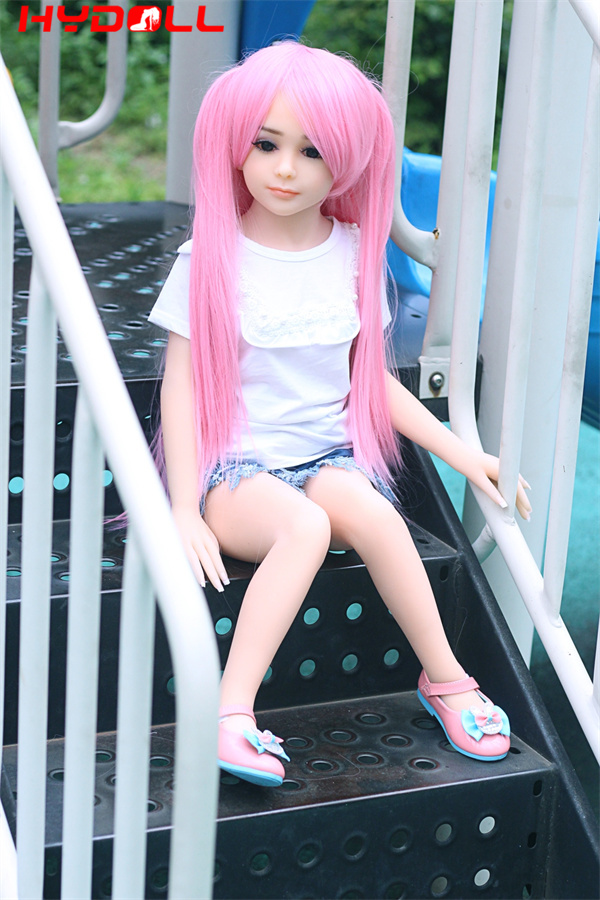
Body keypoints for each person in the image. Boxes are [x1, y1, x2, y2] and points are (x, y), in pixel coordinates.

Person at [148, 41, 531, 787]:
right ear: (235, 144)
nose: (285, 169)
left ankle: (446, 678)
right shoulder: (210, 256)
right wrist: (184, 507)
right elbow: (182, 387)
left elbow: (370, 381)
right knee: (306, 529)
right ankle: (230, 710)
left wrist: (465, 454)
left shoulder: (352, 251)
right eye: (266, 144)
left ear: (347, 162)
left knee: (380, 519)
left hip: (328, 457)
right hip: (238, 470)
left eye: (313, 151)